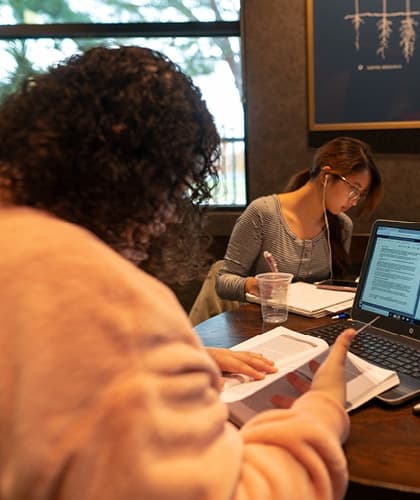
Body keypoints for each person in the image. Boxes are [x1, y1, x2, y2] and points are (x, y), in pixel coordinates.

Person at [0, 45, 356, 500]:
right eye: (177, 187)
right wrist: (323, 406)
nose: (169, 217)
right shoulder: (107, 302)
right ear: (134, 173)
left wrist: (184, 360)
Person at [216, 136, 384, 301]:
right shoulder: (263, 214)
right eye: (354, 189)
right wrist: (254, 285)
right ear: (326, 176)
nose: (355, 201)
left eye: (360, 195)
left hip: (314, 325)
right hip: (263, 321)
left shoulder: (342, 226)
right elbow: (223, 282)